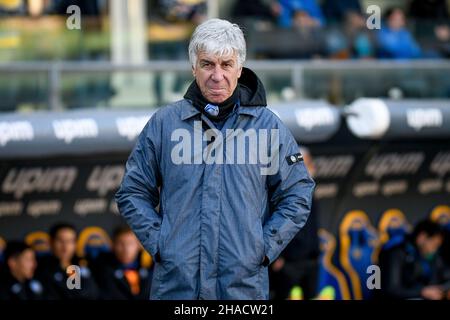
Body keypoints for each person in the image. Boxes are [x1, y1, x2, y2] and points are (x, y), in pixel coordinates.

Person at [115, 18, 315, 300]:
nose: (217, 75)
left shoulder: (267, 127)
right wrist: (162, 245)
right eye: (207, 64)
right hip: (177, 288)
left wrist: (262, 248)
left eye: (226, 64)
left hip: (241, 289)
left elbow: (297, 191)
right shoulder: (165, 124)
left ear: (240, 68)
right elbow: (132, 192)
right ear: (193, 67)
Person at [269, 147, 320, 300]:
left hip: (310, 260)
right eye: (303, 162)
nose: (309, 167)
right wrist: (277, 256)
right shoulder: (283, 190)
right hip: (289, 262)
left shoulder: (310, 190)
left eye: (309, 162)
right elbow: (276, 223)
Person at [378, 219, 450, 300]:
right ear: (422, 237)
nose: (434, 250)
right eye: (433, 245)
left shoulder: (432, 257)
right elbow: (391, 289)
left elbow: (440, 278)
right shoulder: (396, 253)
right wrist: (422, 292)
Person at [35, 223, 99, 300]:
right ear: (51, 242)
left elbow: (82, 294)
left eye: (70, 241)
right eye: (60, 241)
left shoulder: (80, 265)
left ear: (75, 244)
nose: (65, 247)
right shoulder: (41, 268)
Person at [92, 226, 153, 300]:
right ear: (112, 245)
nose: (126, 249)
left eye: (130, 243)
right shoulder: (101, 270)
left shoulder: (151, 269)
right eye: (120, 243)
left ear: (139, 245)